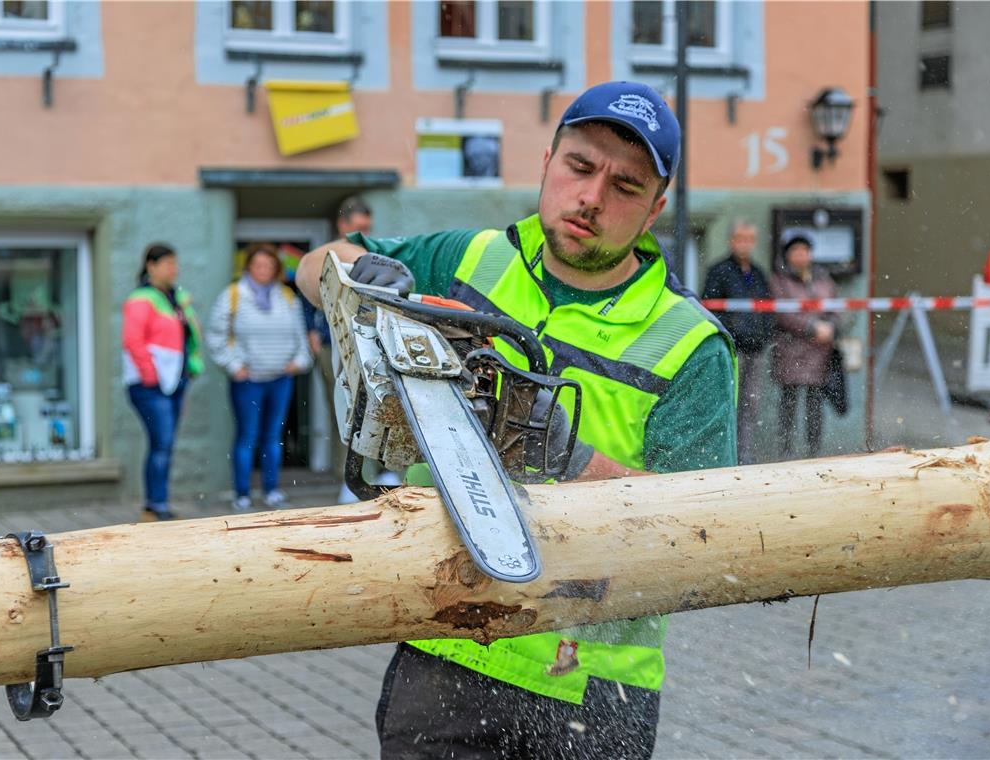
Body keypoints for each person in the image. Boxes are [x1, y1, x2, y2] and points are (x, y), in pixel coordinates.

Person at [296, 80, 737, 759]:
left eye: (625, 187)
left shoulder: (688, 344)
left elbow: (703, 543)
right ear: (547, 162)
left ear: (656, 209)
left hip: (594, 688)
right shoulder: (473, 259)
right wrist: (358, 276)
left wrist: (570, 458)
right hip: (447, 643)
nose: (591, 198)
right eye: (580, 167)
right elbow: (316, 264)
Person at [206, 245, 311, 511]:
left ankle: (271, 490)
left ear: (276, 269)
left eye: (269, 266)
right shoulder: (232, 296)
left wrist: (298, 362)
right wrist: (233, 365)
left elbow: (301, 336)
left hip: (280, 379)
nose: (263, 270)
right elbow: (215, 336)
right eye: (258, 265)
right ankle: (242, 493)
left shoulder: (287, 297)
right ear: (249, 267)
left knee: (273, 436)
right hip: (248, 381)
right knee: (247, 436)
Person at [121, 243, 203, 522]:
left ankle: (158, 503)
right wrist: (150, 375)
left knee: (164, 444)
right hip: (151, 385)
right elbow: (133, 339)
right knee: (162, 442)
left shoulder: (175, 297)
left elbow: (188, 334)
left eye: (174, 263)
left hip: (175, 381)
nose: (174, 268)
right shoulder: (141, 298)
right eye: (167, 263)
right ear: (151, 266)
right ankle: (155, 504)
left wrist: (191, 367)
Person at [303, 198, 374, 500]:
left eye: (367, 229)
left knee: (373, 413)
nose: (363, 234)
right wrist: (311, 330)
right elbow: (306, 295)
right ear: (342, 225)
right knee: (343, 413)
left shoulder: (372, 253)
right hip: (332, 346)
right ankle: (346, 477)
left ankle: (376, 474)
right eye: (358, 228)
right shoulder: (325, 257)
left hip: (366, 348)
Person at [701, 219, 774, 464]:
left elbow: (767, 308)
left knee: (750, 405)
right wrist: (733, 331)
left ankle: (745, 454)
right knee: (728, 402)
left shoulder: (757, 273)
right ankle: (725, 454)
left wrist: (764, 335)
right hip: (732, 350)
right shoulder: (719, 271)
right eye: (740, 239)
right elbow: (710, 308)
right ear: (731, 241)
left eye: (749, 239)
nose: (745, 245)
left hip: (755, 349)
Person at [770, 228, 838, 459]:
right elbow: (783, 313)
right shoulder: (780, 279)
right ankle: (786, 451)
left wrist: (831, 327)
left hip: (820, 352)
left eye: (804, 251)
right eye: (795, 251)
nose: (800, 256)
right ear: (787, 255)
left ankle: (813, 451)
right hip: (791, 350)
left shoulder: (822, 278)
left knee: (815, 404)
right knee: (788, 403)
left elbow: (837, 306)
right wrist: (811, 327)